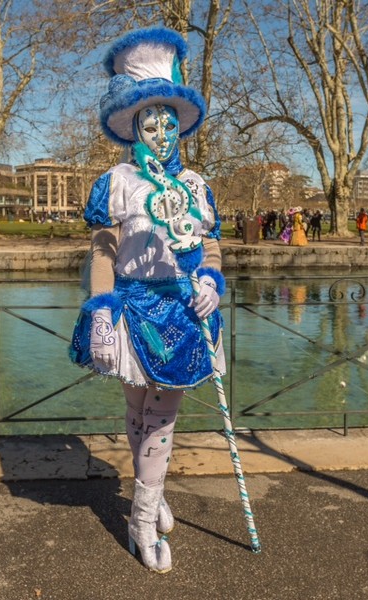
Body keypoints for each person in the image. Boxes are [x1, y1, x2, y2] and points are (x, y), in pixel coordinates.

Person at [69, 27, 225, 574]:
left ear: (179, 126)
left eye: (167, 121)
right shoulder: (117, 181)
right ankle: (151, 499)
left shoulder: (198, 185)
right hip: (133, 309)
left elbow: (210, 247)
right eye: (148, 121)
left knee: (162, 419)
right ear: (133, 125)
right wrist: (103, 310)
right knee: (137, 411)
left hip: (183, 314)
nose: (160, 131)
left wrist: (210, 283)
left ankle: (139, 515)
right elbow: (104, 250)